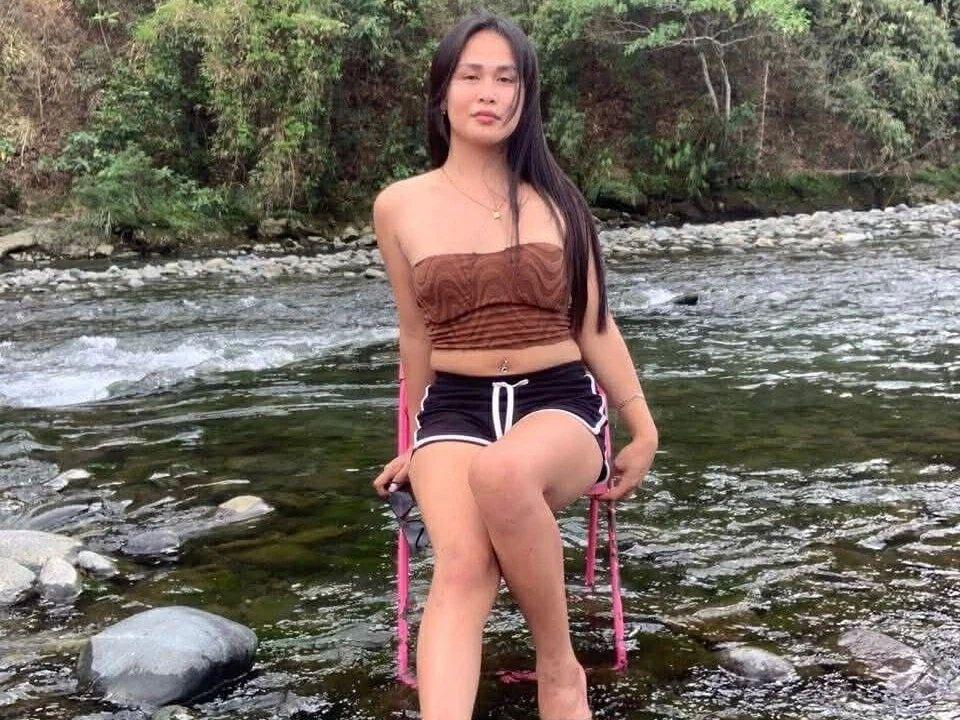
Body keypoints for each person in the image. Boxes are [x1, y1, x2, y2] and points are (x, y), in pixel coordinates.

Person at [370, 11, 658, 720]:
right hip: (455, 406)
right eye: (471, 76)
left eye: (505, 79)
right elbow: (415, 332)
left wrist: (642, 426)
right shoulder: (399, 205)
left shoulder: (558, 200)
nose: (488, 93)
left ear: (525, 96)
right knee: (463, 567)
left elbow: (594, 322)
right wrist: (414, 441)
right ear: (442, 91)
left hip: (558, 401)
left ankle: (558, 668)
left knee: (502, 473)